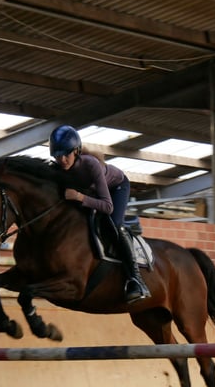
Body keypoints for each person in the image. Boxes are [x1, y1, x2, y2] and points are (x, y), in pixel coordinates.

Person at [49, 124, 151, 303]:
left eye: (67, 154)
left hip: (116, 189)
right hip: (94, 194)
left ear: (76, 151)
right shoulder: (58, 169)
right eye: (58, 155)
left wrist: (79, 197)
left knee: (113, 224)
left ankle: (136, 280)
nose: (63, 159)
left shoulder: (90, 165)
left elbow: (107, 206)